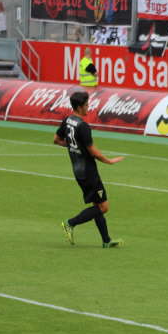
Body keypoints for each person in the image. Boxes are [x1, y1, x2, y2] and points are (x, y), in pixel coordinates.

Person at [55, 91, 124, 248]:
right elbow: (93, 152)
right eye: (86, 105)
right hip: (89, 172)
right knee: (103, 207)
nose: (88, 107)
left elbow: (56, 140)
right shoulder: (83, 126)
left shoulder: (67, 120)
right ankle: (70, 223)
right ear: (79, 107)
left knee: (96, 204)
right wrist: (109, 161)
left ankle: (106, 240)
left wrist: (73, 147)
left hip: (78, 170)